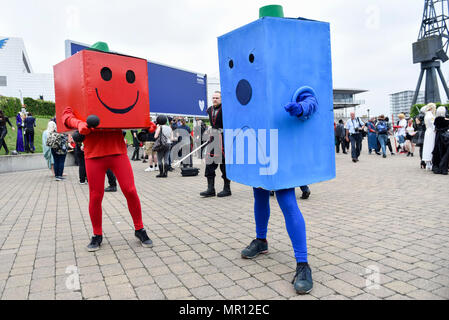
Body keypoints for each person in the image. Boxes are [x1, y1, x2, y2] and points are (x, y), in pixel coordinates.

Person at [63, 106, 154, 251]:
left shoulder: (117, 92)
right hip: (93, 154)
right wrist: (78, 123)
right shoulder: (81, 90)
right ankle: (97, 234)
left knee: (130, 190)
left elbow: (133, 109)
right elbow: (66, 114)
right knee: (95, 196)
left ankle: (139, 229)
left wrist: (144, 122)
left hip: (117, 151)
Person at [200, 91, 232, 197]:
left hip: (224, 139)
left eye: (217, 98)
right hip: (213, 139)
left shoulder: (226, 108)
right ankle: (210, 189)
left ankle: (227, 189)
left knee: (224, 165)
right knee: (209, 164)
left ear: (221, 99)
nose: (215, 99)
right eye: (213, 98)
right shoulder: (209, 109)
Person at [432, 106, 449, 175]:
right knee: (445, 152)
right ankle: (443, 168)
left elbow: (436, 128)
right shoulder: (446, 120)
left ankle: (437, 167)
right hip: (445, 137)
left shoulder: (436, 119)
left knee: (437, 151)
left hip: (438, 136)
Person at [422, 103, 437, 170]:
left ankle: (428, 163)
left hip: (427, 131)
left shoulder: (426, 115)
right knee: (431, 146)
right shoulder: (431, 115)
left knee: (427, 147)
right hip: (431, 132)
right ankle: (431, 163)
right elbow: (433, 125)